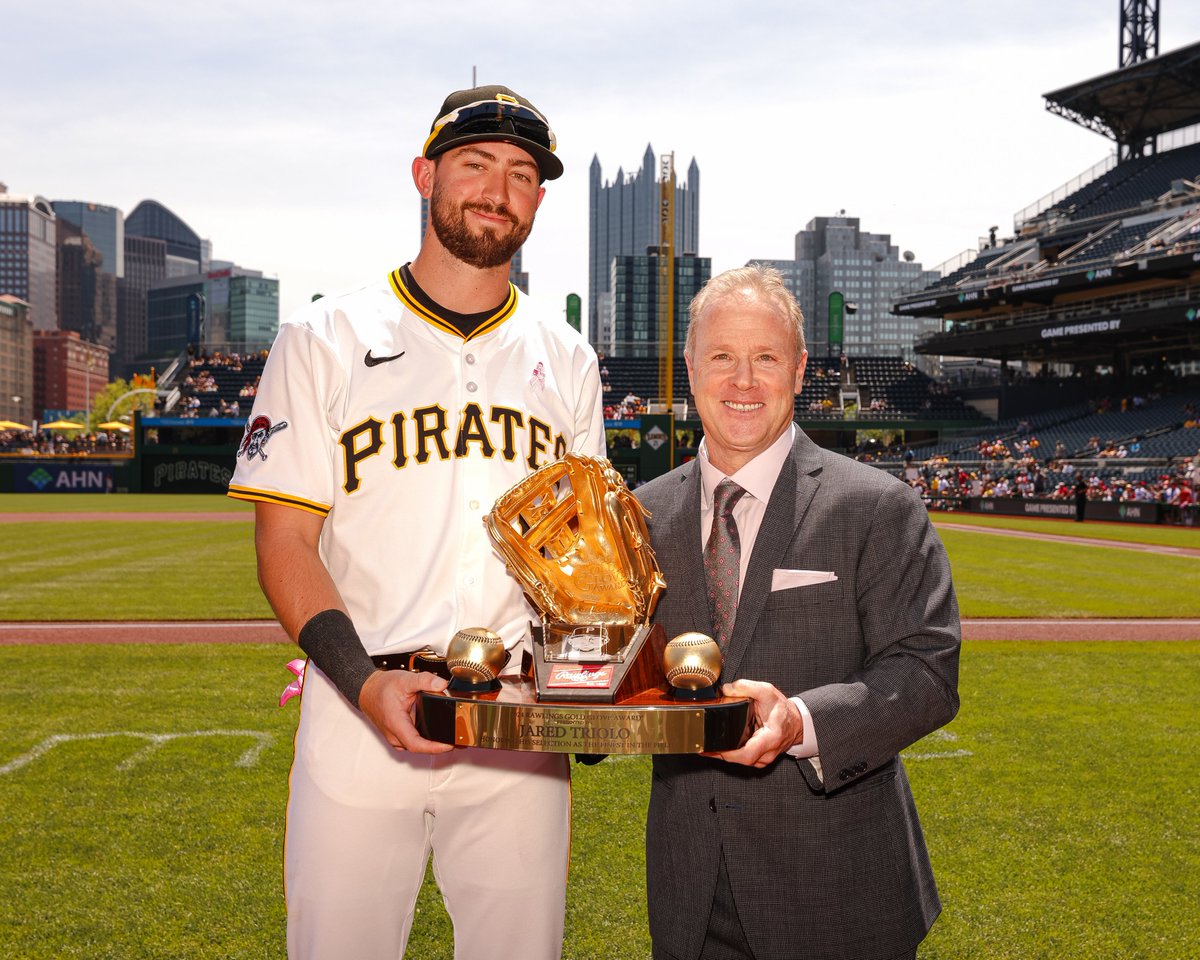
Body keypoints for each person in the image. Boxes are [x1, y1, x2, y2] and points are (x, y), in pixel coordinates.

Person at [228, 85, 604, 960]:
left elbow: (585, 561)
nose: (497, 189)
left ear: (539, 202)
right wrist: (363, 686)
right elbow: (284, 540)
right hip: (360, 714)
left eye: (521, 174)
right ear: (424, 173)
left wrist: (590, 689)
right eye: (474, 164)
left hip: (518, 723)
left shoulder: (569, 357)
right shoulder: (323, 336)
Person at [634, 265, 961, 960]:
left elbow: (926, 673)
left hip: (838, 890)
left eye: (766, 357)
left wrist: (801, 722)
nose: (742, 381)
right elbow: (621, 676)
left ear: (801, 367)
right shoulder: (639, 516)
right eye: (722, 356)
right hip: (690, 891)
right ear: (691, 367)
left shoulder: (875, 506)